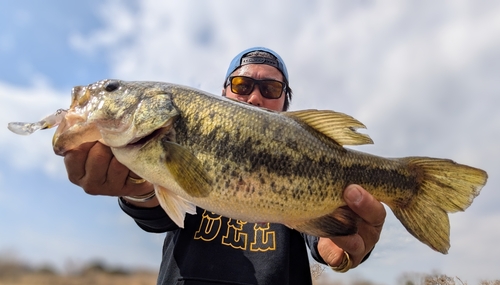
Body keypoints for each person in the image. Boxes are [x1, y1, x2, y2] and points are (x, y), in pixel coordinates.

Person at [63, 47, 386, 284]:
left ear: (286, 101)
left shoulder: (309, 157)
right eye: (242, 85)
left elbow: (326, 237)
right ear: (223, 94)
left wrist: (344, 251)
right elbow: (154, 205)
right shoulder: (174, 140)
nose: (255, 98)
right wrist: (135, 190)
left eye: (271, 89)